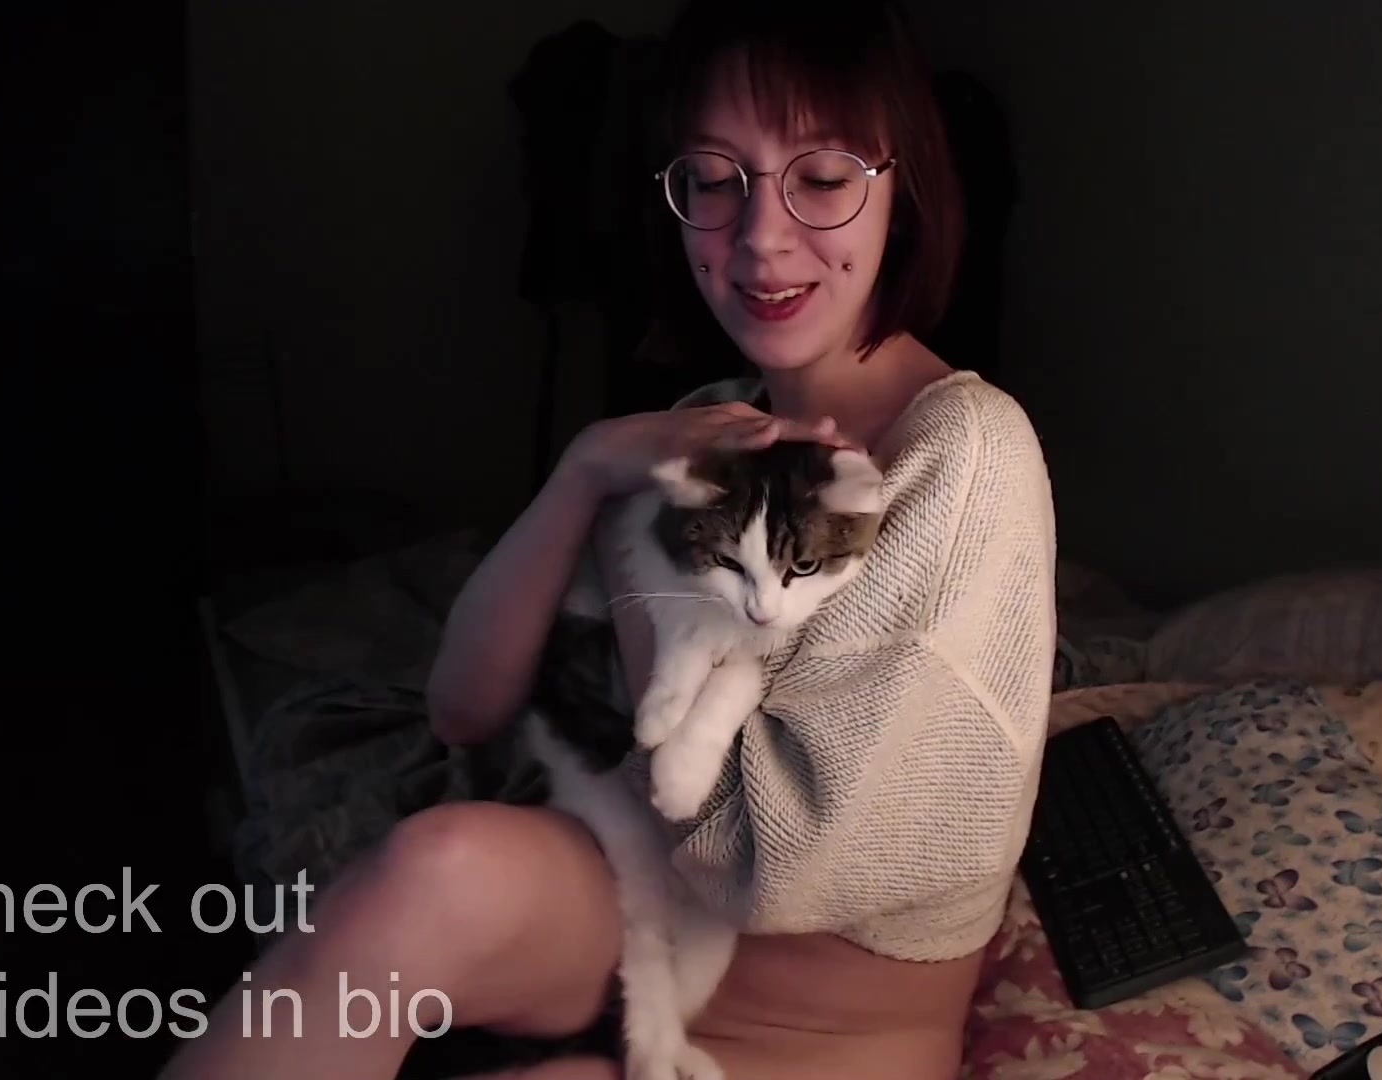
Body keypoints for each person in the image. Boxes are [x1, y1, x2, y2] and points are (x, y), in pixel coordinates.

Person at [158, 3, 1055, 1078]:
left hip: (823, 1036)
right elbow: (461, 707)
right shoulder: (708, 421)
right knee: (437, 864)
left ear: (903, 190)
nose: (761, 237)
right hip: (634, 923)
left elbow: (760, 866)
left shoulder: (963, 450)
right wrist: (587, 468)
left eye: (822, 179)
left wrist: (648, 541)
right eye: (713, 181)